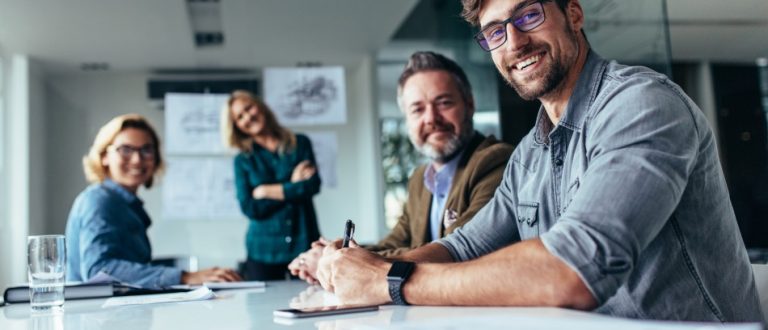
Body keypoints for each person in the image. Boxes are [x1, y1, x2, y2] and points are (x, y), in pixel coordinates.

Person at [316, 0, 764, 323]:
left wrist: (391, 280)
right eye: (495, 31)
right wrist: (363, 271)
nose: (514, 41)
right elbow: (463, 247)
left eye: (529, 14)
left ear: (573, 13)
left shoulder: (641, 104)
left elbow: (572, 271)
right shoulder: (530, 151)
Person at [287, 52, 514, 284]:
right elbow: (395, 243)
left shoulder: (494, 161)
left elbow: (459, 248)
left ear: (469, 104)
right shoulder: (420, 179)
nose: (431, 118)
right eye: (417, 109)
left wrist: (338, 261)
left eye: (444, 103)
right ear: (407, 119)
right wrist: (336, 252)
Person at [66, 114, 241, 289]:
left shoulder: (125, 204)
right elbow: (99, 270)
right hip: (95, 315)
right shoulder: (99, 201)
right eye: (125, 149)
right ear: (104, 156)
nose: (137, 159)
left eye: (146, 150)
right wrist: (184, 277)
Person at [222, 90, 321, 281]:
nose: (248, 117)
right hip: (263, 251)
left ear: (260, 106)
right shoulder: (243, 160)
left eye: (248, 108)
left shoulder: (300, 143)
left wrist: (266, 191)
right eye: (239, 117)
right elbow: (250, 207)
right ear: (236, 126)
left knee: (311, 302)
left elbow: (312, 186)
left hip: (304, 242)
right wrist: (292, 185)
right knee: (261, 309)